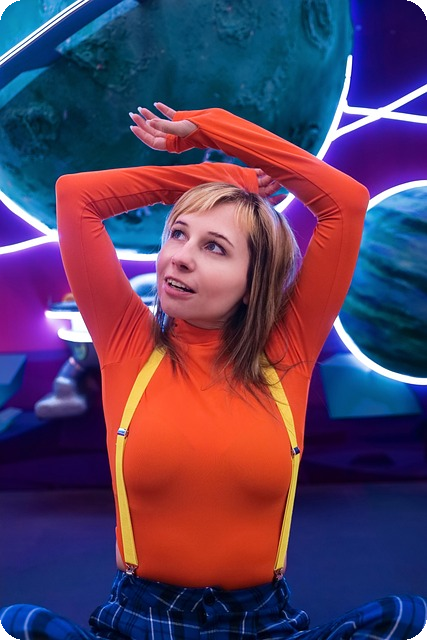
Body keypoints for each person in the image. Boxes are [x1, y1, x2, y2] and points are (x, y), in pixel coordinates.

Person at [1, 103, 425, 640]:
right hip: (141, 620)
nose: (179, 257)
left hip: (264, 623)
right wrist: (229, 179)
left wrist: (207, 126)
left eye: (214, 248)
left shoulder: (287, 353)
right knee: (18, 625)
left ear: (253, 283)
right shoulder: (128, 343)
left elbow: (345, 202)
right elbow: (75, 196)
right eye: (177, 234)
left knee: (409, 618)